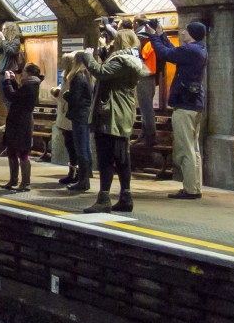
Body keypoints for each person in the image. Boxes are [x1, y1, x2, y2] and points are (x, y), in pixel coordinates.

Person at [80, 29, 147, 213]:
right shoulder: (130, 60)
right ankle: (126, 197)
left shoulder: (122, 61)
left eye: (114, 41)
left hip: (112, 113)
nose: (112, 44)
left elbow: (101, 72)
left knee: (106, 157)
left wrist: (87, 57)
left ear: (120, 42)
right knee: (122, 157)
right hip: (121, 111)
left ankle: (104, 199)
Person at [149, 20, 208, 200]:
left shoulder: (190, 50)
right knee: (194, 149)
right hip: (194, 104)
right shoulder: (199, 49)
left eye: (185, 31)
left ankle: (190, 190)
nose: (182, 33)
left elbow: (165, 53)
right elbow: (173, 52)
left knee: (185, 149)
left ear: (191, 33)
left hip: (184, 105)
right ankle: (194, 187)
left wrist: (153, 36)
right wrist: (161, 35)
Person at [0, 62, 44, 192]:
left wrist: (7, 81)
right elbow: (18, 95)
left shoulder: (30, 86)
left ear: (29, 72)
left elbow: (12, 96)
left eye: (24, 70)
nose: (22, 72)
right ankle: (13, 180)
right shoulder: (29, 84)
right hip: (17, 121)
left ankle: (25, 183)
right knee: (11, 150)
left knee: (22, 152)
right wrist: (13, 81)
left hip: (22, 123)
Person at [63, 50, 94, 192]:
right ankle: (85, 177)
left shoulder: (77, 77)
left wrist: (66, 95)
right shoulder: (87, 75)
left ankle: (83, 181)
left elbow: (74, 98)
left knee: (81, 148)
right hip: (86, 114)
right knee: (85, 147)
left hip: (79, 115)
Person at [0, 21, 23, 127]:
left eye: (4, 29)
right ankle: (11, 122)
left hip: (9, 74)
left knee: (9, 100)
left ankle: (12, 123)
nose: (2, 31)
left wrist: (2, 38)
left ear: (11, 30)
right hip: (1, 75)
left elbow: (10, 52)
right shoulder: (4, 43)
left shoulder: (16, 42)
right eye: (2, 29)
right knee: (5, 99)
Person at [50, 53, 77, 185]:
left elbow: (66, 96)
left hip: (69, 116)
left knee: (73, 146)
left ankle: (75, 173)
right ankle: (73, 172)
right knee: (70, 145)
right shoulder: (66, 76)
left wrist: (58, 93)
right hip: (65, 116)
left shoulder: (74, 77)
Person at [133, 14, 158, 148]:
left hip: (145, 75)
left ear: (137, 23)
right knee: (145, 108)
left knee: (146, 108)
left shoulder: (143, 37)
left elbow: (140, 56)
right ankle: (144, 134)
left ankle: (150, 137)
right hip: (150, 75)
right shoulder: (148, 36)